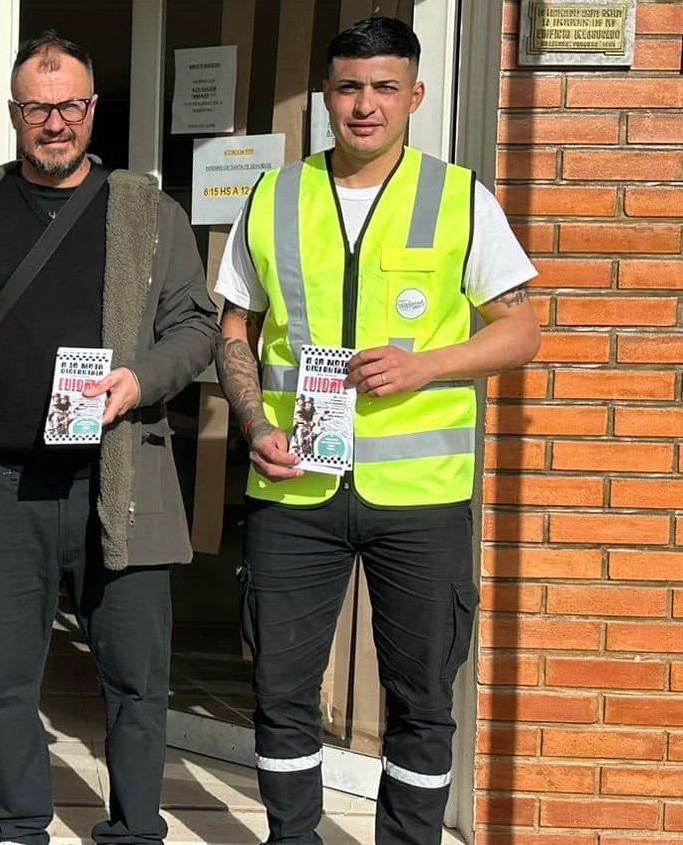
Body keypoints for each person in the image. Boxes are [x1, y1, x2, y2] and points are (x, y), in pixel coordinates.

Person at [213, 16, 541, 845]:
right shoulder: (274, 195)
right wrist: (253, 421)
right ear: (326, 95)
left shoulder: (459, 195)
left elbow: (521, 329)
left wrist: (427, 364)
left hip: (419, 498)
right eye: (350, 87)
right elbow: (233, 330)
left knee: (422, 698)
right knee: (281, 693)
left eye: (385, 87)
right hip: (295, 486)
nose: (366, 105)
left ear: (416, 96)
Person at [0, 32, 219, 845]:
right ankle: (14, 825)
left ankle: (135, 828)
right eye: (38, 107)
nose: (56, 122)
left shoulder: (149, 213)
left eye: (71, 106)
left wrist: (140, 381)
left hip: (120, 475)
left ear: (92, 110)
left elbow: (197, 328)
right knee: (8, 679)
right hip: (4, 479)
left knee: (134, 678)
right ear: (14, 114)